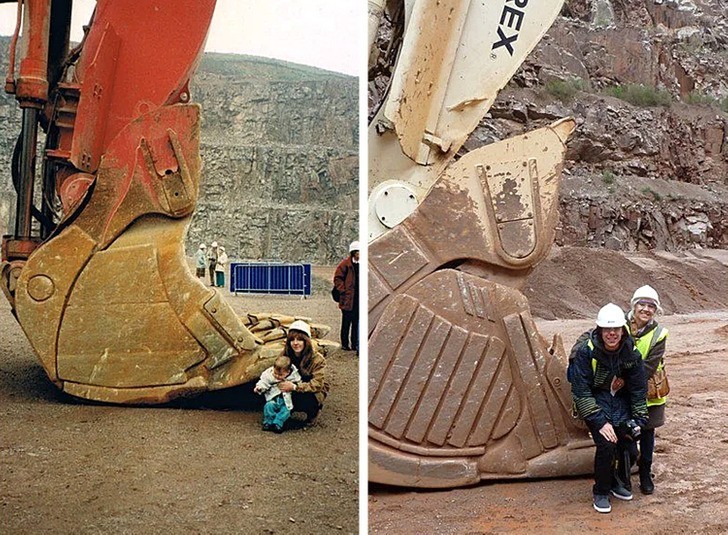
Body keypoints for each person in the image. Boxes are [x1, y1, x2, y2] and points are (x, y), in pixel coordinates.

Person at [568, 303, 648, 514]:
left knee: (629, 446)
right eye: (607, 329)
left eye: (616, 329)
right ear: (599, 330)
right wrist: (599, 421)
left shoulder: (631, 353)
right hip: (596, 403)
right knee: (607, 444)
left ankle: (615, 482)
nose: (612, 333)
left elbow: (638, 389)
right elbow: (581, 390)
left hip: (620, 403)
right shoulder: (586, 352)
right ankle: (601, 491)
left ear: (623, 330)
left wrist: (639, 418)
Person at [627, 285, 668, 495]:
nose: (645, 309)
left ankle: (645, 473)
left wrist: (625, 381)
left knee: (648, 433)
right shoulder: (619, 325)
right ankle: (630, 465)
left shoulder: (659, 334)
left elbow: (649, 366)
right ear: (634, 306)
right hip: (624, 391)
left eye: (650, 306)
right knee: (625, 434)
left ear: (655, 310)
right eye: (642, 304)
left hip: (650, 393)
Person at [278, 320, 330, 423]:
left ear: (306, 341)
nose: (295, 343)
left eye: (300, 340)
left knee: (307, 401)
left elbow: (317, 384)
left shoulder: (317, 359)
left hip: (311, 391)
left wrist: (294, 387)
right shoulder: (285, 356)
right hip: (291, 387)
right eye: (292, 340)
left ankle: (313, 411)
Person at [254, 355, 302, 433]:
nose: (277, 376)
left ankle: (278, 423)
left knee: (286, 411)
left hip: (286, 400)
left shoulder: (294, 375)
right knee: (268, 407)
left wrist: (294, 386)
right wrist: (259, 387)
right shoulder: (269, 374)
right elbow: (264, 382)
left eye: (280, 375)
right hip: (273, 398)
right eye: (275, 373)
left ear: (288, 372)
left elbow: (299, 383)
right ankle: (268, 422)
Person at [334, 240, 359, 352]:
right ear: (354, 253)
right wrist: (343, 290)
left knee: (356, 323)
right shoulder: (345, 265)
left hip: (358, 299)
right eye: (358, 252)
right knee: (346, 322)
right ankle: (345, 344)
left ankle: (355, 344)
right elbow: (337, 278)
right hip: (348, 299)